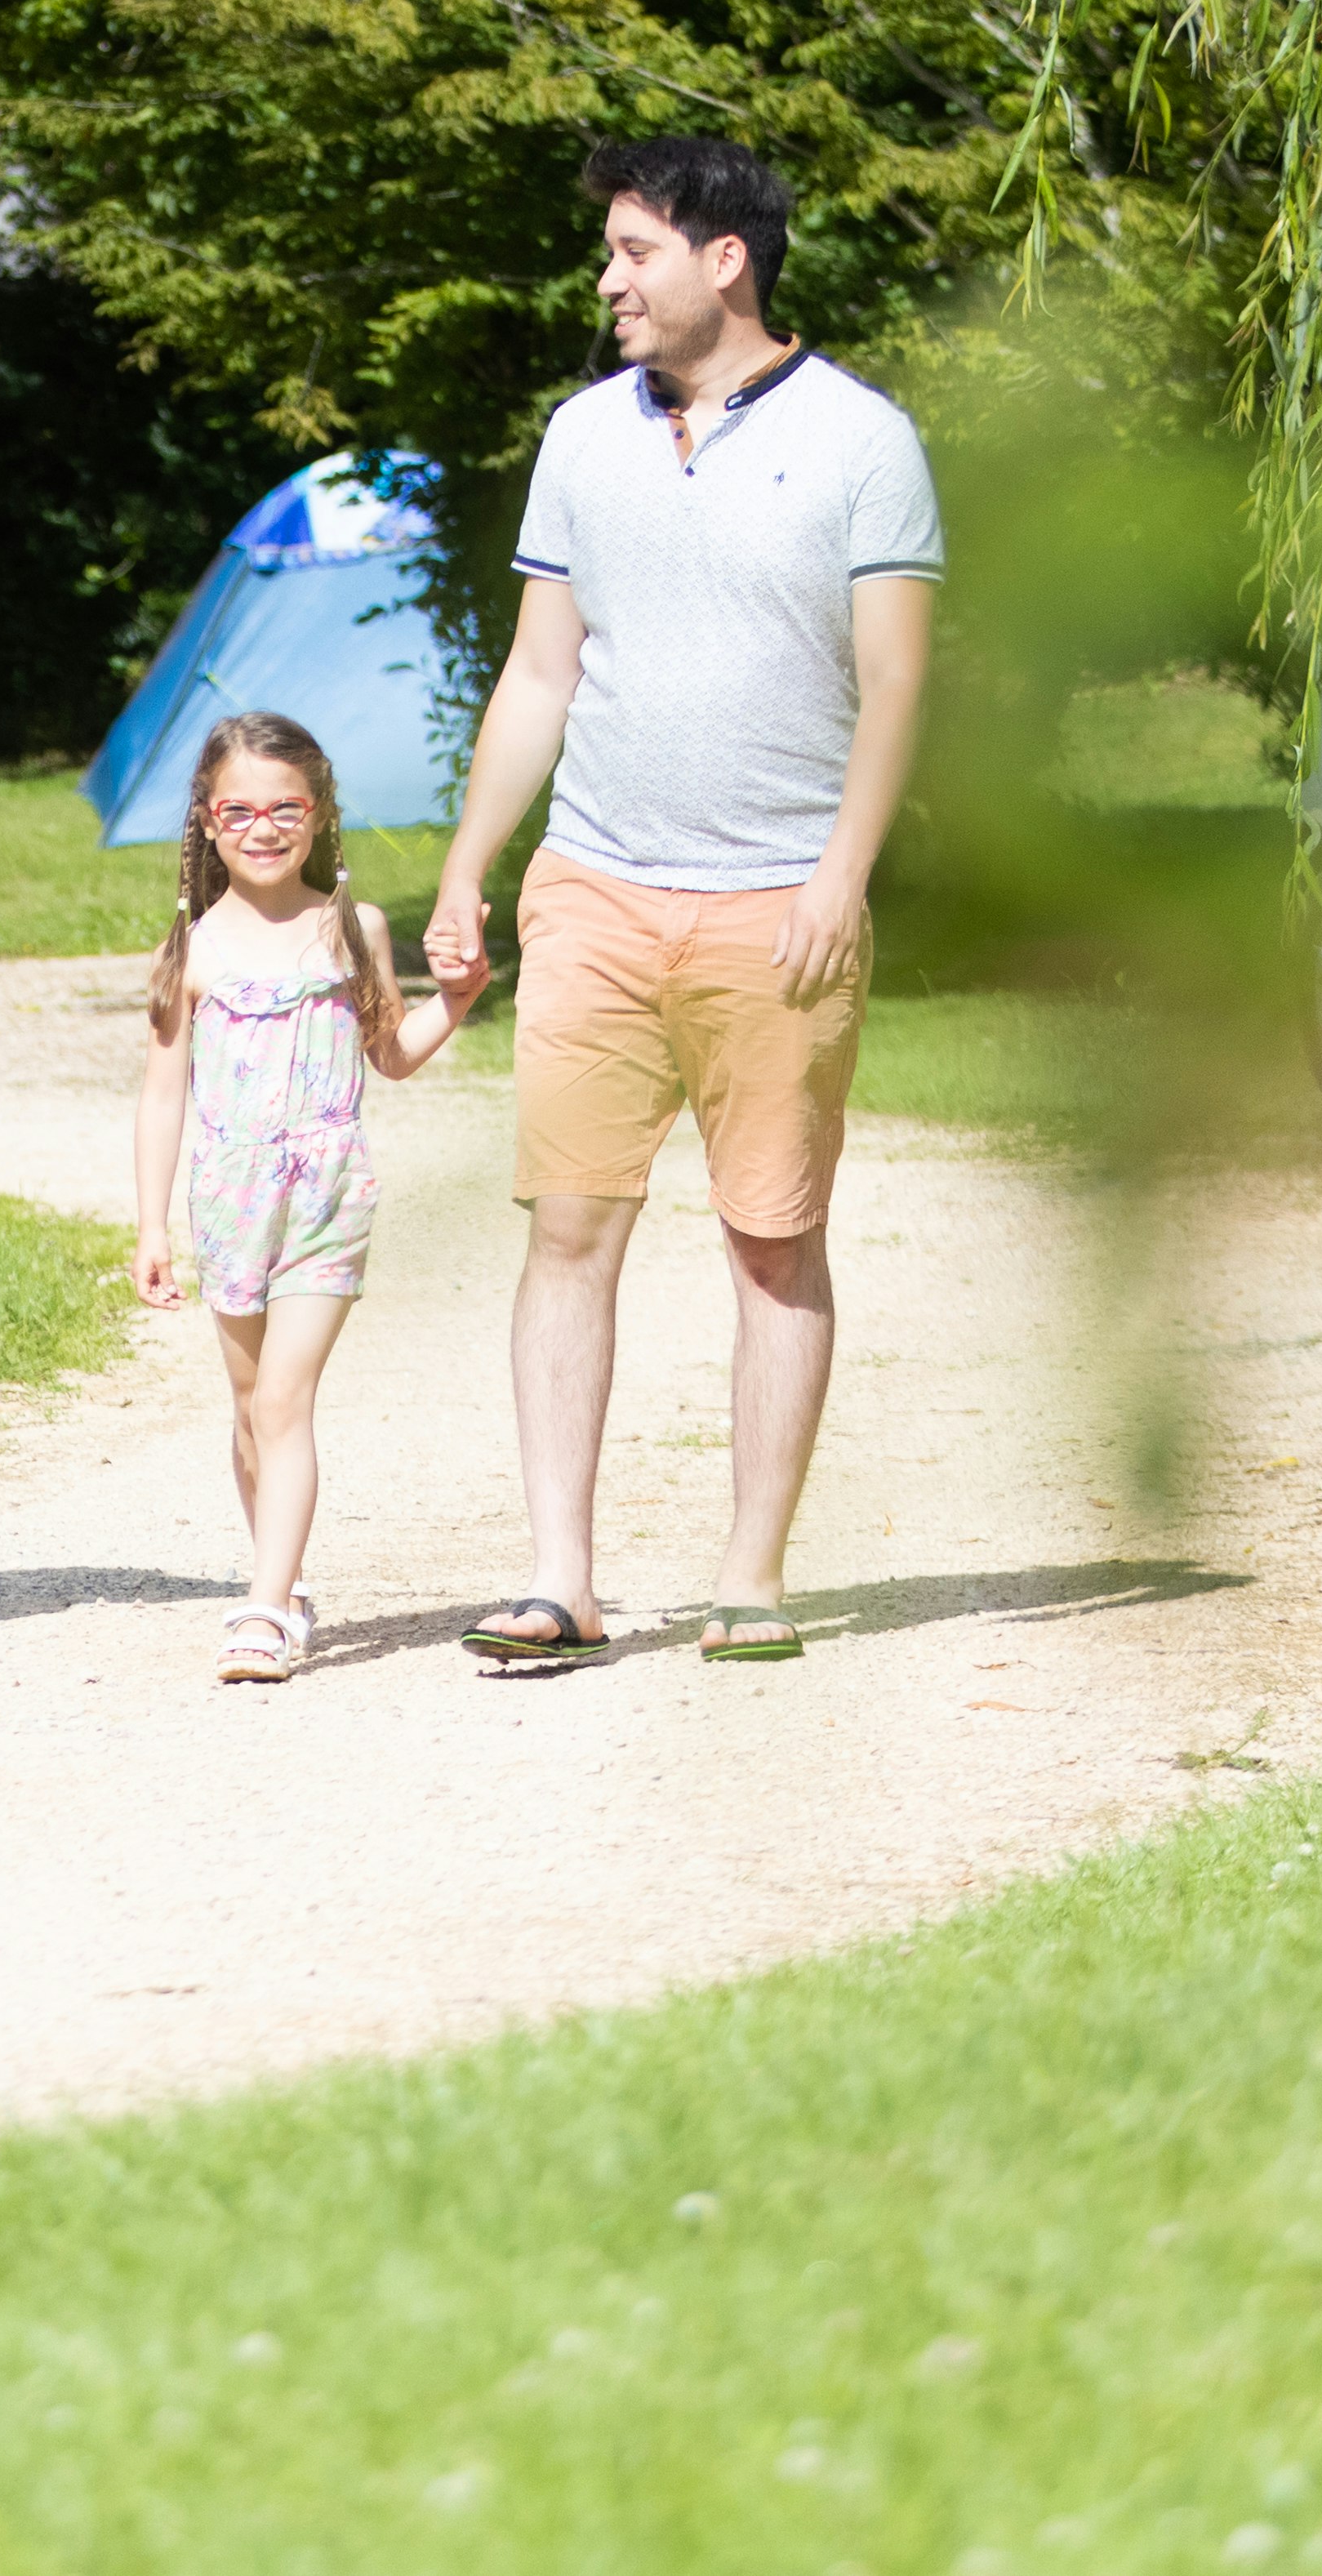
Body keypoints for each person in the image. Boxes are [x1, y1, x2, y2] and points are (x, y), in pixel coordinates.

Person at [421, 136, 941, 1668]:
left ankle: (752, 1577)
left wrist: (841, 877)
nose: (608, 281)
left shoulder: (861, 440)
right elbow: (540, 667)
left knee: (772, 1241)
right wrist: (472, 860)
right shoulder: (581, 435)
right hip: (591, 889)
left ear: (725, 259)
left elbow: (895, 679)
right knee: (567, 1228)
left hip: (777, 901)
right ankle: (558, 1578)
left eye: (633, 250)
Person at [130, 711, 480, 1684]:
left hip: (328, 1192)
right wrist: (152, 1224)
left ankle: (264, 1612)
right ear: (205, 821)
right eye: (239, 810)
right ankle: (278, 1580)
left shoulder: (352, 929)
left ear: (318, 814)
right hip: (230, 1198)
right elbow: (163, 1097)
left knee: (285, 1396)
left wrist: (456, 999)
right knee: (248, 1406)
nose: (264, 828)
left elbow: (392, 1058)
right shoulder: (192, 948)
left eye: (285, 809)